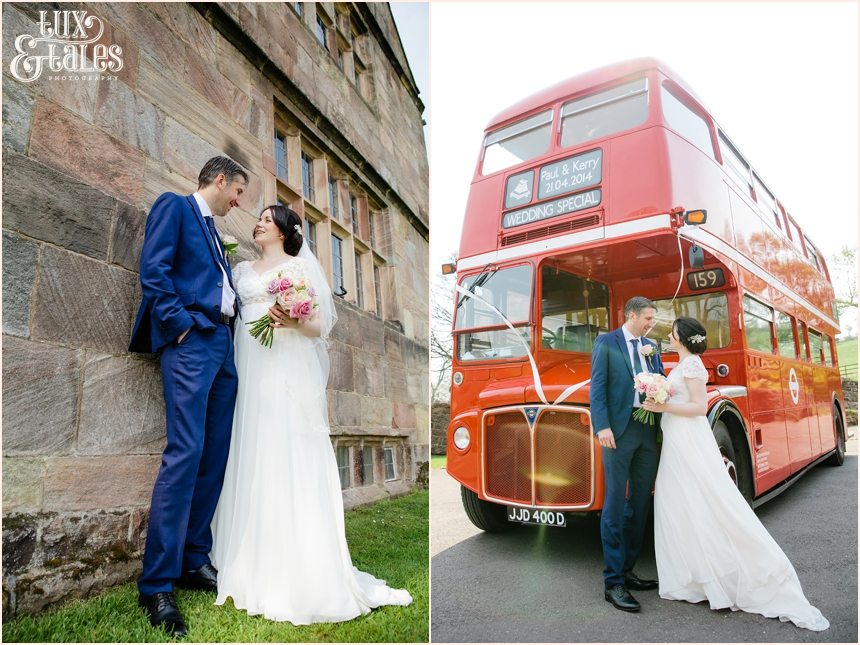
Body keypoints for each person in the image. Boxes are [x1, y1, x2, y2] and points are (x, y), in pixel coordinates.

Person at [210, 204, 413, 624]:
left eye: (268, 218)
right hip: (244, 365)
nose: (260, 221)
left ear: (285, 231)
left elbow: (318, 326)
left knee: (282, 449)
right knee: (246, 447)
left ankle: (293, 567)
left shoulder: (298, 271)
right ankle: (237, 556)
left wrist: (290, 320)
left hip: (280, 368)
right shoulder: (243, 268)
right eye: (260, 217)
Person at [643, 317, 829, 631]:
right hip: (678, 440)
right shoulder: (684, 364)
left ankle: (712, 576)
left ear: (683, 338)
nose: (669, 336)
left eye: (673, 333)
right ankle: (692, 575)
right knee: (679, 502)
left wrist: (663, 406)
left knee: (700, 499)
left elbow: (700, 407)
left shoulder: (693, 368)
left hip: (689, 439)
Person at [129, 156, 249, 637]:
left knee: (213, 457)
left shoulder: (216, 233)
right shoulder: (175, 208)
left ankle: (194, 560)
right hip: (192, 342)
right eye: (239, 190)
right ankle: (156, 584)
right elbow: (154, 272)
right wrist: (180, 327)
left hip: (223, 349)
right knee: (184, 455)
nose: (239, 201)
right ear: (220, 180)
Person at [589, 296, 664, 612]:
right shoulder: (607, 341)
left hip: (648, 432)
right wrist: (601, 426)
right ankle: (613, 582)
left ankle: (628, 569)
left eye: (653, 319)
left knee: (641, 502)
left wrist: (661, 393)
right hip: (618, 433)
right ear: (631, 315)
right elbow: (598, 387)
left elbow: (659, 378)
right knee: (615, 503)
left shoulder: (652, 346)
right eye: (648, 318)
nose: (651, 323)